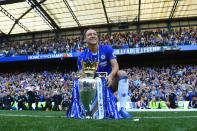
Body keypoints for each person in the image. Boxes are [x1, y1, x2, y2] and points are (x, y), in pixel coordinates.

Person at [77, 29, 131, 118]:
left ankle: (122, 108)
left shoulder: (107, 49)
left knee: (122, 73)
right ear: (85, 39)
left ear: (97, 37)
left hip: (109, 82)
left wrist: (110, 76)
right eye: (89, 34)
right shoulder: (82, 56)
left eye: (95, 34)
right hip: (93, 87)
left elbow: (115, 66)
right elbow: (81, 73)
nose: (93, 36)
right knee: (95, 114)